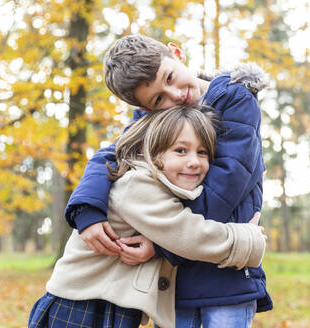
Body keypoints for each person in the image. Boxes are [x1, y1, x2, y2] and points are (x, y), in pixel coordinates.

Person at [66, 34, 273, 327]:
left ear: (176, 54)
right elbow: (111, 155)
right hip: (175, 282)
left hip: (227, 271)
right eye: (158, 99)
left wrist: (162, 244)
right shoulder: (156, 120)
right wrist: (86, 209)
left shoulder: (234, 99)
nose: (175, 95)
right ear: (148, 108)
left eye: (170, 77)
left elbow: (228, 182)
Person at [28, 105, 267, 328]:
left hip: (112, 301)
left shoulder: (164, 185)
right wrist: (248, 238)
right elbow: (190, 234)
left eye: (203, 152)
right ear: (151, 151)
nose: (194, 162)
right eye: (180, 150)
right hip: (80, 303)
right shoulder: (138, 183)